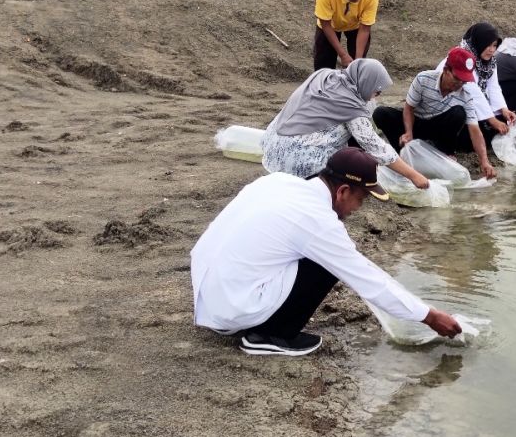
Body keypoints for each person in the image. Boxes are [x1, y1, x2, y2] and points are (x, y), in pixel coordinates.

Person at [191, 147, 462, 356]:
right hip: (233, 306)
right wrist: (428, 316)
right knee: (327, 264)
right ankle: (271, 336)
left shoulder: (279, 182)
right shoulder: (318, 221)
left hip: (209, 293)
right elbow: (367, 279)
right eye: (362, 198)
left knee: (310, 252)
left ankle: (253, 319)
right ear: (343, 191)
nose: (359, 208)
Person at [262, 58, 429, 190]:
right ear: (366, 82)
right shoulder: (350, 106)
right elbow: (376, 147)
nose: (373, 98)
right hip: (295, 160)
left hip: (273, 143)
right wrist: (414, 175)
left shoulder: (326, 76)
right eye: (376, 92)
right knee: (350, 154)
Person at [373, 47, 497, 179]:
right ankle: (400, 155)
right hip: (417, 122)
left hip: (438, 128)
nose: (460, 84)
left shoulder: (465, 95)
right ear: (446, 70)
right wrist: (408, 132)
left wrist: (484, 161)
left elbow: (475, 130)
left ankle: (444, 152)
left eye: (464, 81)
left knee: (458, 113)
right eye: (457, 78)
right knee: (380, 113)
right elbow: (409, 108)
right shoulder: (424, 79)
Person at [435, 22, 516, 148]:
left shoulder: (490, 62)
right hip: (450, 106)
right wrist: (492, 120)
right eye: (487, 45)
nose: (492, 50)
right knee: (478, 132)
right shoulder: (462, 59)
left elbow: (493, 87)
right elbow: (471, 91)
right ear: (478, 43)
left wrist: (503, 109)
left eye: (495, 45)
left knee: (502, 124)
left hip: (473, 106)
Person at [313, 0, 379, 71]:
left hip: (356, 26)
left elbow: (365, 29)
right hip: (330, 25)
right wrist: (343, 55)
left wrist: (357, 62)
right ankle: (324, 85)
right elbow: (325, 24)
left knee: (358, 64)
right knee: (324, 64)